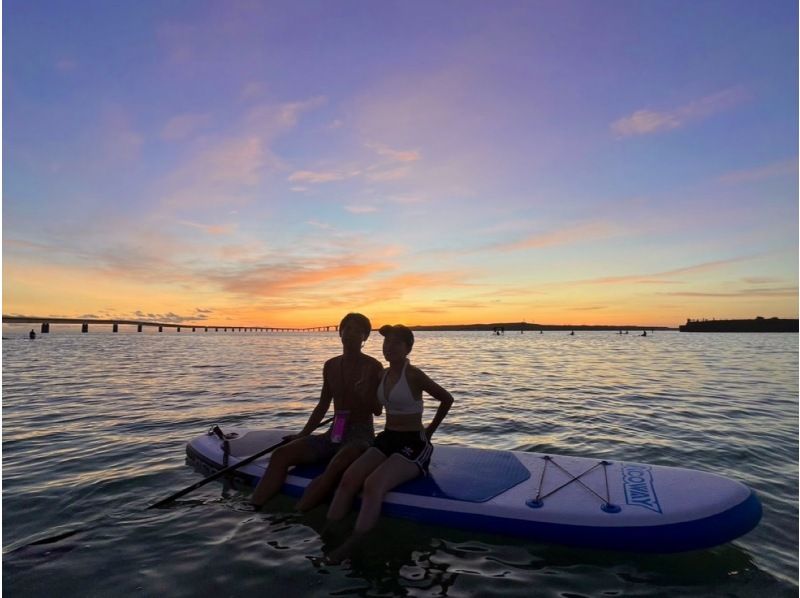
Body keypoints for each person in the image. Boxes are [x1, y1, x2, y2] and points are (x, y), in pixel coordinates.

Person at [324, 324, 454, 562]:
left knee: (373, 484)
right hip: (388, 437)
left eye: (396, 343)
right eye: (386, 342)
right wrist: (364, 391)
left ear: (408, 348)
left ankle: (353, 544)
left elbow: (447, 399)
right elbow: (376, 411)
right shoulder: (381, 374)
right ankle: (328, 535)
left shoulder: (413, 374)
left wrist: (430, 431)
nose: (389, 347)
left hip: (413, 442)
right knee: (349, 479)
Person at [250, 313, 384, 511]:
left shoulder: (373, 366)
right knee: (280, 455)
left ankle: (298, 514)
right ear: (340, 333)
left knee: (337, 464)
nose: (352, 334)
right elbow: (322, 405)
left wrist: (364, 392)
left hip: (360, 434)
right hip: (335, 430)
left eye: (358, 331)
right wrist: (302, 435)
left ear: (365, 337)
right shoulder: (330, 365)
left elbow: (378, 411)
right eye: (348, 329)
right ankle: (254, 508)